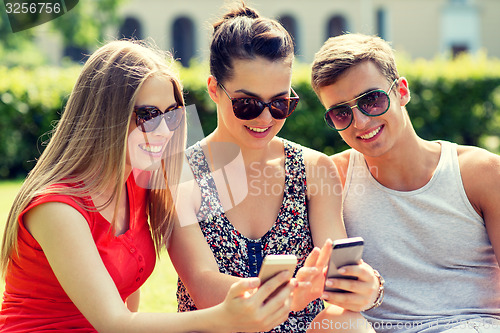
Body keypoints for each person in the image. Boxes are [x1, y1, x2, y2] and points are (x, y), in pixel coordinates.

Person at [0, 39, 296, 332]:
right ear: (106, 115)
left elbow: (130, 297)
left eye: (173, 114)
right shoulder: (57, 208)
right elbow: (115, 323)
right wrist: (223, 317)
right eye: (149, 115)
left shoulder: (139, 181)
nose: (165, 130)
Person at [168, 4, 380, 333]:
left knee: (349, 323)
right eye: (247, 104)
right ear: (214, 90)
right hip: (216, 328)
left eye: (281, 103)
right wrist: (294, 295)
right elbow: (205, 288)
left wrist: (361, 287)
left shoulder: (313, 169)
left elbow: (336, 279)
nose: (266, 119)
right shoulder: (180, 174)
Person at [310, 33, 500, 332]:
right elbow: (336, 297)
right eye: (341, 113)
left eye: (371, 100)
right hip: (374, 327)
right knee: (329, 324)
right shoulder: (334, 176)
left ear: (401, 91)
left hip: (468, 324)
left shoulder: (481, 172)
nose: (360, 122)